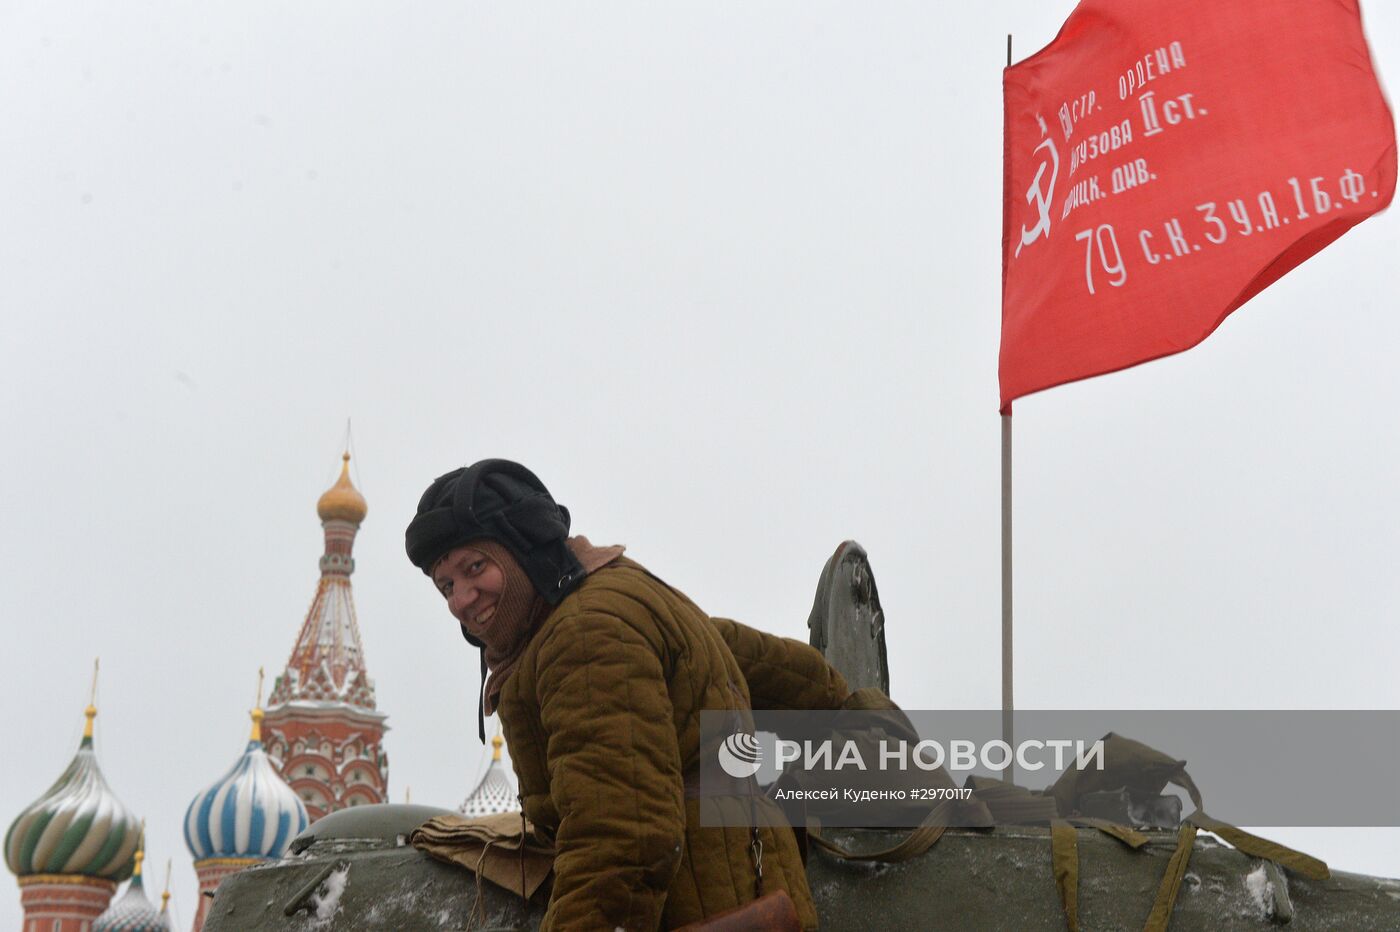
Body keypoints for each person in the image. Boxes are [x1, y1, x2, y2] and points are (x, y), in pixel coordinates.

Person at [405, 458, 853, 931]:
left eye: (476, 567)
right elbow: (793, 675)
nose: (461, 599)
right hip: (749, 885)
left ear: (525, 547)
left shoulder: (584, 635)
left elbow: (621, 841)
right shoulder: (616, 597)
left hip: (704, 909)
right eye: (446, 585)